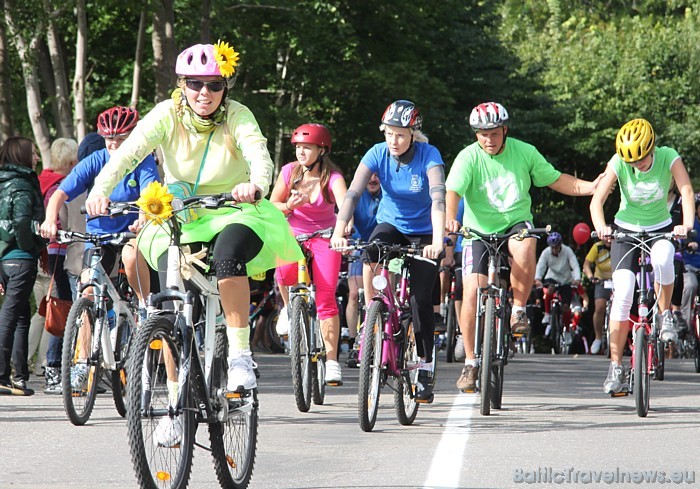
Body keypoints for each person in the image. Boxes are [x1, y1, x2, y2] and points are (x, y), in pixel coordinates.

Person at [85, 41, 301, 401]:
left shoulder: (237, 115)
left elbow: (258, 154)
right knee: (169, 306)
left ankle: (239, 358)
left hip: (236, 207)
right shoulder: (167, 114)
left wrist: (257, 184)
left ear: (224, 89)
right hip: (182, 212)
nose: (205, 92)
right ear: (182, 85)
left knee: (228, 255)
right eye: (196, 84)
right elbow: (127, 154)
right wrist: (100, 189)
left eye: (215, 85)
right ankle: (173, 397)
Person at [445, 102, 601, 392]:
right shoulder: (468, 158)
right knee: (470, 293)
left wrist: (590, 186)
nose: (488, 140)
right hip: (478, 230)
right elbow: (452, 191)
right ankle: (470, 362)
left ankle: (517, 309)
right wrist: (451, 220)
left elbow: (556, 179)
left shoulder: (525, 152)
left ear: (505, 130)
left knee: (527, 241)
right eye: (481, 134)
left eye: (493, 133)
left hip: (516, 223)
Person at [331, 100, 445, 402]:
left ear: (413, 135)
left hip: (424, 232)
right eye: (389, 133)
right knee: (371, 251)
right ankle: (374, 314)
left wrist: (437, 240)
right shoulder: (377, 153)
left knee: (421, 298)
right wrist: (339, 228)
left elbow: (438, 199)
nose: (393, 141)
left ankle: (424, 365)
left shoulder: (429, 156)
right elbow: (353, 192)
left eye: (400, 135)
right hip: (391, 223)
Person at [590, 118, 694, 395]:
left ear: (652, 148)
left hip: (660, 228)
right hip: (625, 230)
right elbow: (597, 200)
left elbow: (685, 190)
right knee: (623, 293)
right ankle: (615, 367)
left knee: (663, 259)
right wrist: (602, 226)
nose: (638, 166)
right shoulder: (618, 162)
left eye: (642, 159)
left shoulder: (669, 157)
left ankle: (665, 315)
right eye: (632, 162)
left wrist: (686, 224)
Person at [41, 108, 159, 315]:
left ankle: (144, 309)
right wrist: (49, 220)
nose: (113, 144)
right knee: (86, 291)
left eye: (121, 139)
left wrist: (142, 219)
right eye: (107, 138)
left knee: (132, 257)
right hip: (99, 236)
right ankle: (83, 346)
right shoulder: (96, 160)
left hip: (131, 232)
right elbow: (59, 194)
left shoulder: (144, 160)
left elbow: (149, 196)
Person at [270, 123, 348, 385]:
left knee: (326, 297)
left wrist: (341, 231)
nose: (301, 152)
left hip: (324, 236)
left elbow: (345, 205)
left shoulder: (332, 177)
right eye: (298, 147)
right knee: (285, 272)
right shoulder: (289, 172)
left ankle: (332, 359)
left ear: (321, 149)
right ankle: (288, 309)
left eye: (307, 147)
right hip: (293, 233)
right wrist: (288, 206)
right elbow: (272, 206)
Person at [0, 137, 46, 396]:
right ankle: (3, 376)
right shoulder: (22, 185)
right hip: (21, 257)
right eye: (34, 153)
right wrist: (34, 246)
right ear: (22, 156)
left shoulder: (3, 181)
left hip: (4, 259)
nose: (37, 158)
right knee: (11, 315)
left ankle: (19, 377)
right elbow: (21, 221)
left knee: (20, 317)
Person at [38, 138, 79, 394]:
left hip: (55, 253)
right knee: (63, 310)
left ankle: (56, 367)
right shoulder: (62, 188)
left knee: (63, 309)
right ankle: (54, 367)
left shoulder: (46, 182)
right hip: (64, 252)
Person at [345, 172, 381, 367]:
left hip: (383, 249)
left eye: (377, 176)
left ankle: (377, 338)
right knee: (353, 294)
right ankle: (353, 342)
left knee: (380, 295)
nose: (373, 180)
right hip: (359, 246)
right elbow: (347, 215)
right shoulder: (357, 195)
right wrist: (346, 230)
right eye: (370, 176)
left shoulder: (388, 194)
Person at [534, 231, 582, 334]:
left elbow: (574, 264)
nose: (554, 249)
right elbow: (541, 265)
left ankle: (568, 331)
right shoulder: (546, 252)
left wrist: (577, 278)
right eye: (553, 247)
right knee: (549, 290)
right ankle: (547, 314)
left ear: (560, 245)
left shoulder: (567, 251)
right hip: (552, 277)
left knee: (565, 307)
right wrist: (537, 278)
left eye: (556, 247)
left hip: (566, 279)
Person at [582, 239, 613, 354]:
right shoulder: (597, 247)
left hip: (617, 279)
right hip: (601, 280)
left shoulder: (619, 245)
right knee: (599, 308)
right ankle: (598, 338)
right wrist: (591, 277)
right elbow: (586, 264)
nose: (609, 240)